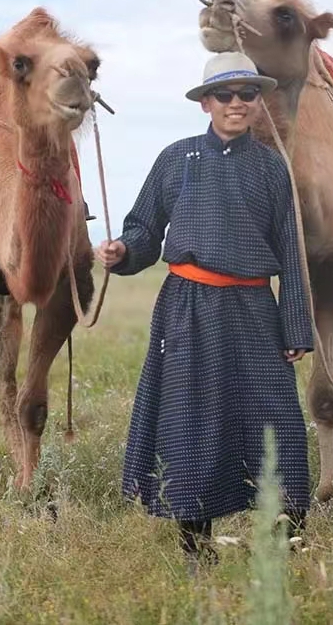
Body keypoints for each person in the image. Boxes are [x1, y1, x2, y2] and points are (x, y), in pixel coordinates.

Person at [96, 51, 313, 565]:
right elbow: (144, 230)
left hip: (255, 310)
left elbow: (291, 251)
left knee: (277, 418)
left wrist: (296, 326)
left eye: (247, 94)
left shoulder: (273, 169)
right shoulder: (175, 159)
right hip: (187, 307)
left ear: (259, 102)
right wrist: (123, 252)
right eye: (225, 94)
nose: (236, 104)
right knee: (193, 421)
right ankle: (197, 546)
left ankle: (286, 539)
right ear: (205, 104)